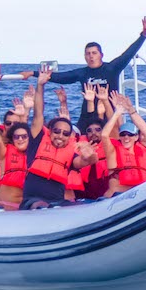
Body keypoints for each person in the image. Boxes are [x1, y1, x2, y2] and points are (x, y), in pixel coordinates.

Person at [21, 66, 99, 206]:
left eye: (65, 133)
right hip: (32, 202)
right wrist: (40, 85)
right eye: (56, 131)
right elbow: (38, 112)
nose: (60, 135)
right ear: (49, 132)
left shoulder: (70, 154)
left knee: (84, 206)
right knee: (41, 206)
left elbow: (87, 161)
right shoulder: (37, 141)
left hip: (57, 203)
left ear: (70, 137)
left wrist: (90, 155)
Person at [23, 17, 146, 96]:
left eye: (94, 53)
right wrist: (32, 73)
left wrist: (143, 35)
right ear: (85, 57)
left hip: (109, 115)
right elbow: (61, 77)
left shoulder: (112, 68)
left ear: (101, 55)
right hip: (88, 116)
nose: (91, 56)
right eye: (88, 54)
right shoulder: (82, 73)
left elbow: (128, 53)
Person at [103, 91, 146, 196]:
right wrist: (117, 113)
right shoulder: (113, 153)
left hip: (143, 195)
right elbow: (104, 135)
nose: (126, 137)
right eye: (123, 134)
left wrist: (131, 110)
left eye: (130, 134)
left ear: (136, 137)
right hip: (118, 197)